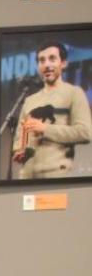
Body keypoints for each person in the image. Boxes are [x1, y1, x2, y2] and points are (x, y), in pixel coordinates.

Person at [14, 41, 92, 181]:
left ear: (63, 63)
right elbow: (20, 136)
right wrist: (19, 150)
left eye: (52, 59)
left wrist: (45, 128)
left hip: (57, 177)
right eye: (42, 60)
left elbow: (85, 133)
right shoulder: (30, 100)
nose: (47, 64)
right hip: (26, 178)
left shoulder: (74, 93)